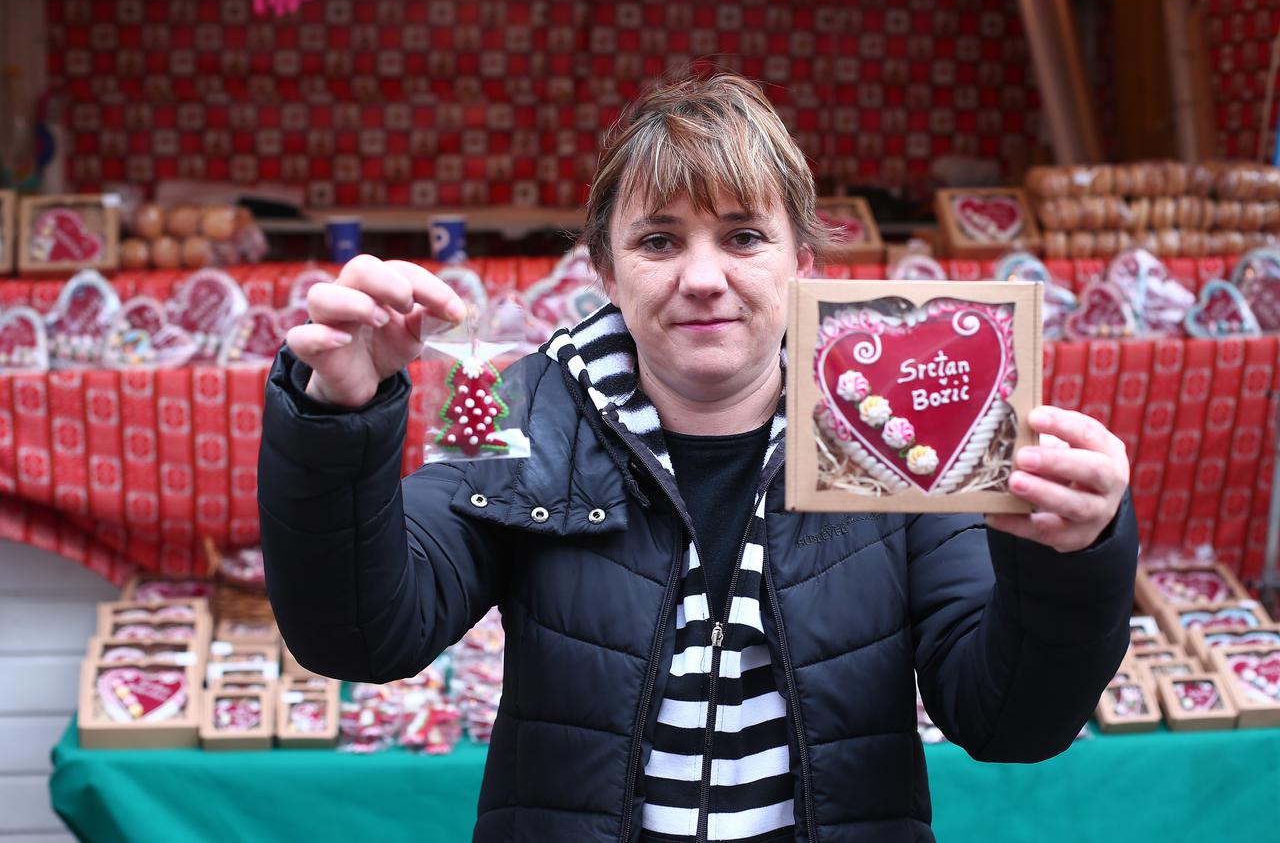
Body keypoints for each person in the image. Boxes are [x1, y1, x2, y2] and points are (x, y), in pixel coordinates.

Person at [260, 73, 1137, 843]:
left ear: (802, 258)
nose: (704, 276)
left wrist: (1068, 559)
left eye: (744, 236)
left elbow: (1010, 719)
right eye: (660, 240)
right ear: (605, 266)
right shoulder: (517, 399)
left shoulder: (891, 425)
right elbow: (364, 635)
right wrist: (339, 416)